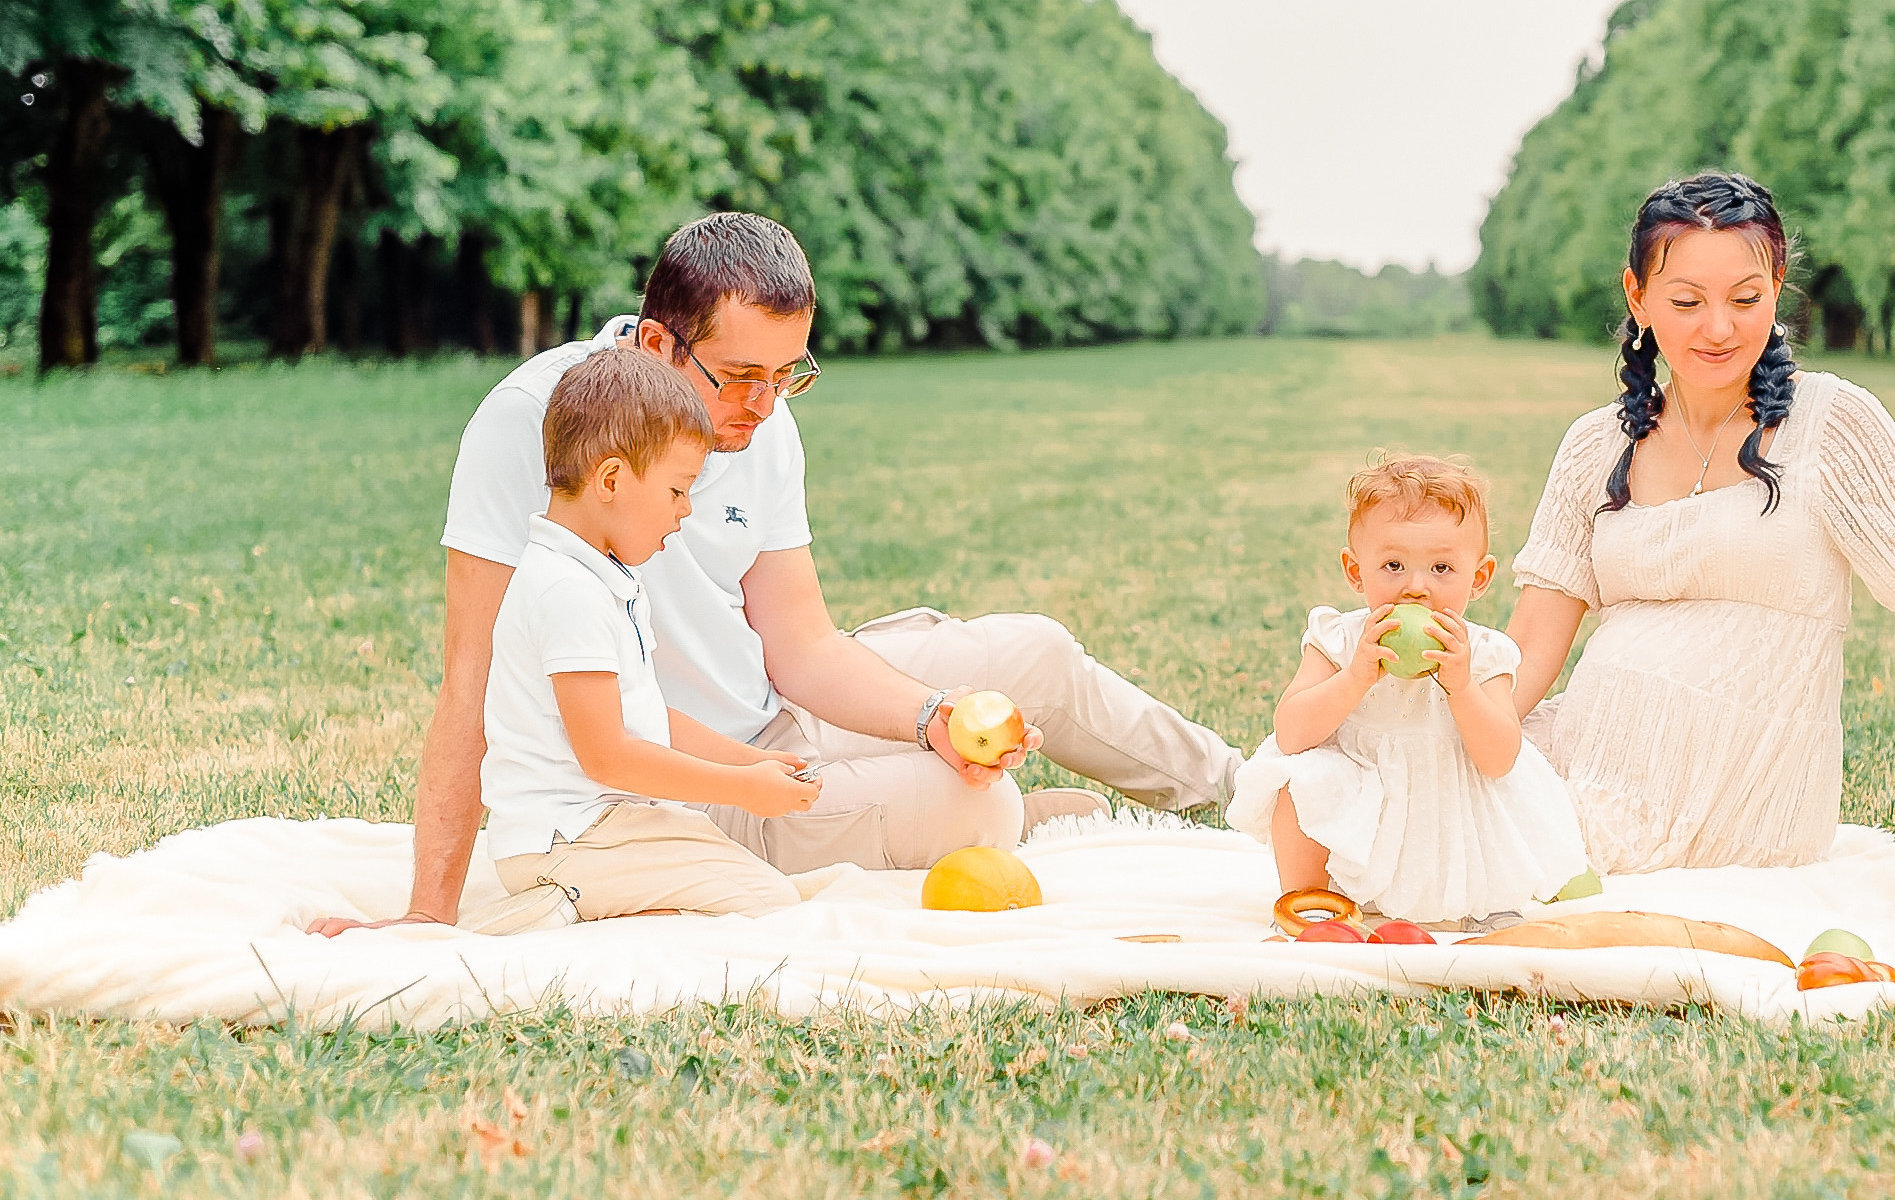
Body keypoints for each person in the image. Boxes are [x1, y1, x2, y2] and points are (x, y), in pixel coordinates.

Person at [318, 213, 1241, 936]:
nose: (762, 406)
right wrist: (428, 917)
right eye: (739, 376)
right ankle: (1008, 816)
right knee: (982, 801)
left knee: (1032, 653)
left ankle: (1259, 798)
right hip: (684, 780)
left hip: (775, 714)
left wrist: (929, 716)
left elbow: (802, 643)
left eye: (787, 375)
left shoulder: (762, 421)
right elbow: (470, 677)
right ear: (654, 346)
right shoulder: (530, 422)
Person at [1505, 171, 1895, 873]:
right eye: (1687, 300)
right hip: (1587, 764)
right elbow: (1533, 644)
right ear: (1639, 296)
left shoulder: (1832, 424)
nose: (1719, 328)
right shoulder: (1595, 445)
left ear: (1777, 286)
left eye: (1745, 299)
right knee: (1387, 786)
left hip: (1750, 813)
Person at [473, 350, 819, 933]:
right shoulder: (566, 591)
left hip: (602, 826)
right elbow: (606, 755)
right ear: (611, 480)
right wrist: (742, 789)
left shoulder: (603, 576)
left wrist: (753, 761)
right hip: (568, 839)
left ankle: (605, 908)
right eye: (678, 490)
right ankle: (556, 906)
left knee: (746, 879)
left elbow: (648, 718)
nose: (685, 512)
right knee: (768, 905)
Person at [1226, 454, 1588, 926]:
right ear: (1356, 572)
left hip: (1447, 808)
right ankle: (1310, 902)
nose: (1415, 588)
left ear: (1478, 578)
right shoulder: (1339, 640)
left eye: (1441, 568)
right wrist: (1355, 676)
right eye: (1393, 565)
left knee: (1487, 821)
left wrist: (1461, 687)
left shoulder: (1483, 653)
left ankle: (1481, 900)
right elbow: (1291, 734)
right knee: (1300, 781)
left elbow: (1500, 758)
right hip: (1365, 801)